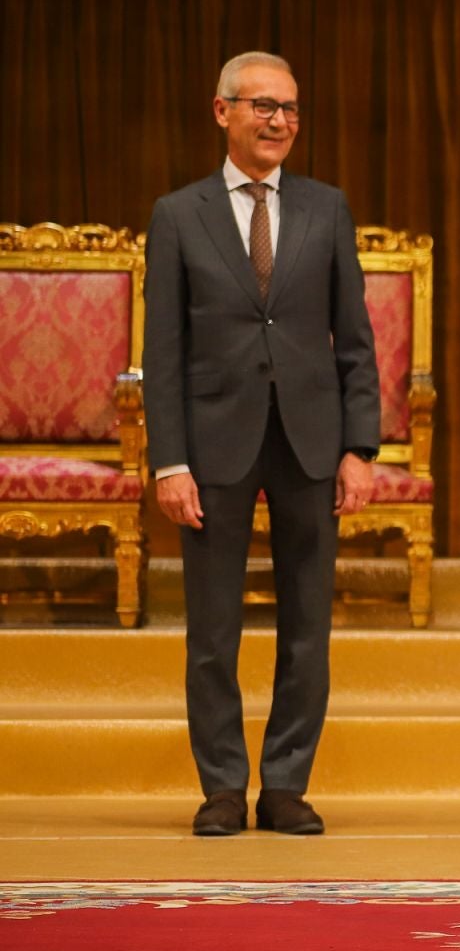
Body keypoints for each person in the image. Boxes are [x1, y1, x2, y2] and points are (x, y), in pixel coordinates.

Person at [145, 52, 381, 838]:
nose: (278, 121)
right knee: (213, 630)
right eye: (262, 106)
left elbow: (355, 338)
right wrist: (169, 460)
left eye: (290, 109)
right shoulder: (179, 215)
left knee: (307, 625)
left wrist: (361, 448)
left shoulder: (327, 208)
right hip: (212, 448)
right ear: (222, 112)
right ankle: (220, 787)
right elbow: (166, 352)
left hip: (311, 445)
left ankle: (284, 785)